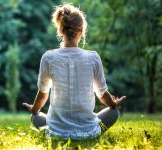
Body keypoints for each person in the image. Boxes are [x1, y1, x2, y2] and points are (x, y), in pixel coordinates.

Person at [22, 4, 126, 139]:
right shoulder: (93, 57)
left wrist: (34, 109)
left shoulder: (48, 57)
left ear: (60, 31)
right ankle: (91, 133)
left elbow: (43, 94)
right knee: (113, 113)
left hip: (56, 133)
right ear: (81, 32)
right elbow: (101, 94)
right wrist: (113, 104)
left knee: (35, 117)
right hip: (88, 131)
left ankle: (55, 131)